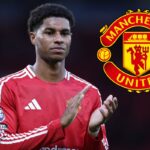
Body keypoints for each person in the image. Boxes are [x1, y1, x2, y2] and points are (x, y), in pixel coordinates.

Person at [0, 3, 118, 150]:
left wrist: (93, 132)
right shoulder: (8, 87)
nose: (59, 39)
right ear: (33, 37)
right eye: (50, 32)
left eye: (64, 33)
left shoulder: (89, 93)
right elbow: (3, 144)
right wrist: (58, 126)